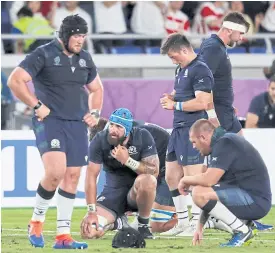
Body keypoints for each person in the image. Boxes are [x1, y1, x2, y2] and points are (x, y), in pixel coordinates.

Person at [7, 14, 104, 249]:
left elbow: (96, 88)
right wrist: (37, 105)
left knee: (72, 177)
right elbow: (15, 81)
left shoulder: (85, 58)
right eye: (77, 36)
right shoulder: (44, 53)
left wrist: (96, 112)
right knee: (55, 172)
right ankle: (36, 222)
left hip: (77, 123)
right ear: (65, 35)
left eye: (83, 35)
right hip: (50, 121)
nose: (80, 40)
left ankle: (63, 236)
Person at [159, 33, 220, 236]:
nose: (173, 60)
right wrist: (172, 96)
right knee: (171, 176)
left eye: (174, 56)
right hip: (178, 128)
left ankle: (196, 224)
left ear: (185, 50)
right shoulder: (181, 69)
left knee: (193, 177)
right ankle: (183, 222)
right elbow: (184, 92)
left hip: (192, 130)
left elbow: (203, 102)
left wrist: (174, 104)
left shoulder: (201, 69)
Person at [178, 119, 272, 247]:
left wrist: (185, 179)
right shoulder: (221, 142)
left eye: (194, 142)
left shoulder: (225, 143)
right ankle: (244, 224)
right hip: (252, 197)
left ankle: (242, 231)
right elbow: (208, 191)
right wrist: (199, 227)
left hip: (255, 201)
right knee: (200, 191)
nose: (194, 146)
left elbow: (208, 180)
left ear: (203, 137)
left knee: (198, 192)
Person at [80, 108, 159, 240]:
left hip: (136, 193)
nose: (112, 130)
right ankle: (119, 223)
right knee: (89, 231)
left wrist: (128, 161)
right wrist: (91, 211)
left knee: (148, 180)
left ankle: (142, 225)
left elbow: (154, 172)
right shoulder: (100, 140)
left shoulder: (142, 136)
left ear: (127, 130)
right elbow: (91, 177)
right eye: (111, 124)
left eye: (118, 126)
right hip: (113, 194)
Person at [198, 11, 250, 135]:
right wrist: (212, 115)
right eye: (241, 33)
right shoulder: (213, 47)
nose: (241, 38)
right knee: (236, 150)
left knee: (242, 150)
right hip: (219, 112)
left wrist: (227, 104)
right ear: (230, 30)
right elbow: (203, 82)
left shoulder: (218, 47)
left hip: (225, 110)